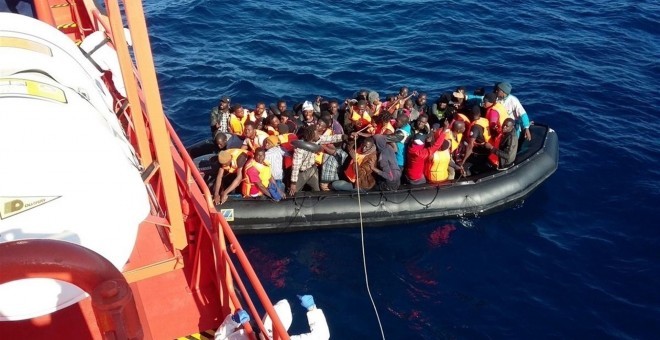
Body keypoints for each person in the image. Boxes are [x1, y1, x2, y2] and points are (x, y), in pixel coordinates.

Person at [289, 125, 346, 195]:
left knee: (316, 191)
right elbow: (296, 166)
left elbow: (330, 138)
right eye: (317, 133)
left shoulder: (316, 140)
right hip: (301, 173)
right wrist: (293, 183)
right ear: (312, 135)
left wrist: (344, 137)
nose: (319, 135)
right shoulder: (299, 148)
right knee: (294, 192)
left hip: (312, 169)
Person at [460, 105, 491, 176]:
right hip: (487, 149)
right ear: (479, 114)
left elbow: (470, 146)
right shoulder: (484, 120)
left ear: (471, 114)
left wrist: (463, 161)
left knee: (464, 167)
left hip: (480, 153)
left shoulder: (475, 127)